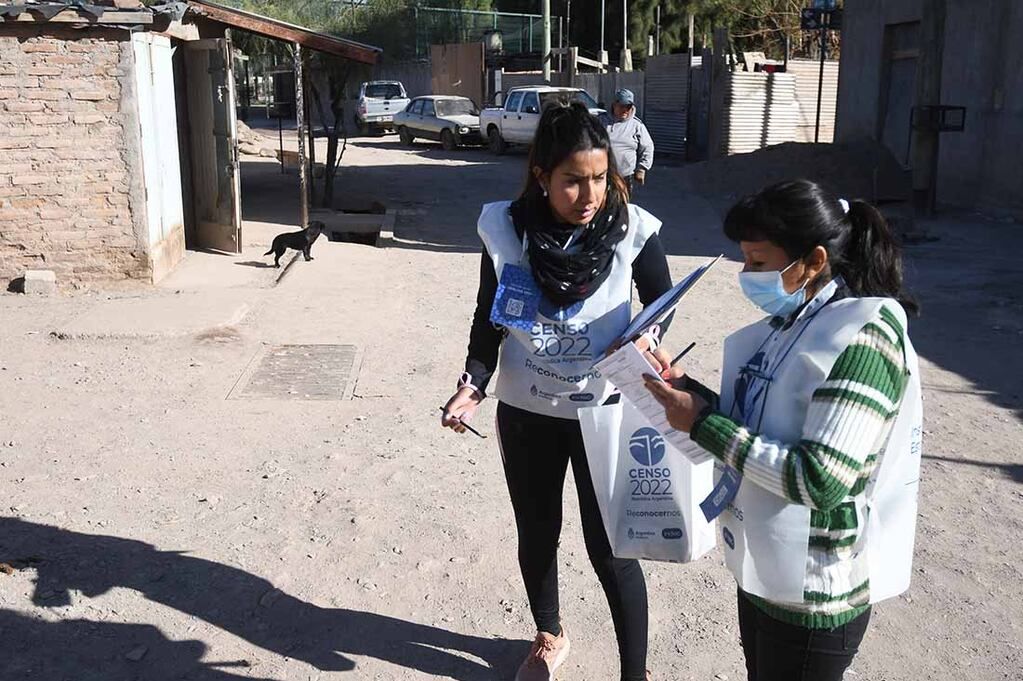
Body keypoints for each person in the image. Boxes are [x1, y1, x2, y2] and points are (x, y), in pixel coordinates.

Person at [643, 179, 923, 681]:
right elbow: (762, 420)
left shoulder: (863, 337)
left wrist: (703, 422)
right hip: (769, 575)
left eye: (757, 261)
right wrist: (689, 392)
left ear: (813, 262)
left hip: (815, 598)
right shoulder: (795, 324)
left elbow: (820, 479)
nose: (746, 275)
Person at [441, 102, 675, 681]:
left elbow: (662, 301)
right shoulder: (505, 230)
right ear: (542, 175)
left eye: (600, 177)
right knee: (538, 532)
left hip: (605, 414)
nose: (590, 193)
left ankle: (634, 674)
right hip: (527, 413)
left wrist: (648, 336)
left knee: (611, 549)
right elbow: (488, 315)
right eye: (573, 180)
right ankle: (550, 635)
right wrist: (473, 382)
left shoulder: (633, 231)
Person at [600, 89, 654, 192]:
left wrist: (642, 168)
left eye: (628, 107)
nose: (625, 110)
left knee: (622, 206)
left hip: (624, 177)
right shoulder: (601, 121)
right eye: (622, 106)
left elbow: (648, 147)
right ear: (614, 105)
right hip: (602, 175)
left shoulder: (637, 126)